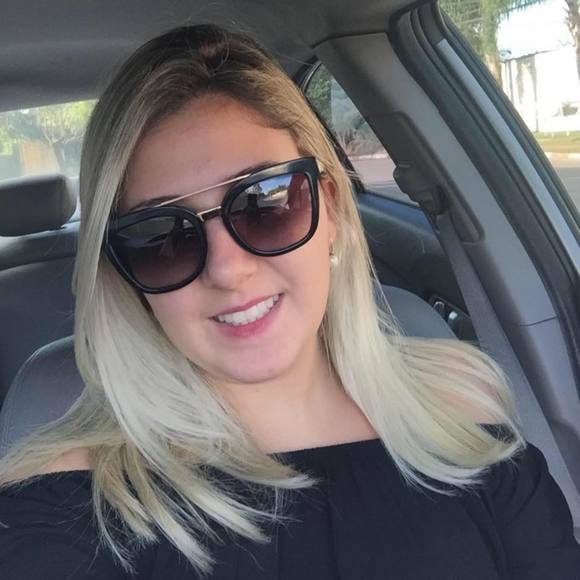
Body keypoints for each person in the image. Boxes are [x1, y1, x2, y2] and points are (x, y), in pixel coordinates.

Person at [0, 24, 579, 580]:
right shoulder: (67, 503)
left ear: (330, 208)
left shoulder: (465, 416)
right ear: (126, 276)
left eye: (266, 202)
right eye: (161, 237)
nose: (228, 269)